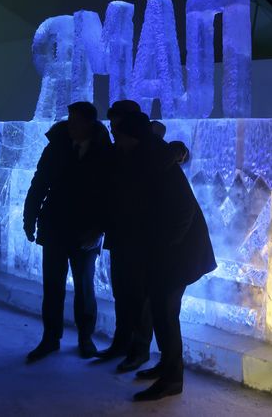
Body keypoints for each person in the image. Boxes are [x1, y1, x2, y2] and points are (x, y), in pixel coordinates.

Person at [132, 118, 216, 402]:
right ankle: (167, 367)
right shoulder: (156, 159)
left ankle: (172, 378)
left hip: (177, 255)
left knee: (166, 314)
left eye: (116, 132)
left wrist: (166, 245)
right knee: (162, 312)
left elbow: (183, 211)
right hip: (172, 253)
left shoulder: (156, 163)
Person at [23, 101, 111, 362]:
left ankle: (85, 338)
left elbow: (110, 196)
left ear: (89, 123)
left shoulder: (104, 152)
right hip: (55, 227)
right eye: (70, 121)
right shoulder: (57, 147)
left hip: (85, 231)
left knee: (85, 287)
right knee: (53, 286)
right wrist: (30, 219)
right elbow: (39, 183)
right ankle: (51, 338)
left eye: (76, 121)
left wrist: (98, 229)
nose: (70, 125)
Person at [95, 100, 155, 372]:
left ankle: (139, 350)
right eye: (112, 124)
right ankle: (122, 344)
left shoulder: (147, 150)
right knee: (122, 293)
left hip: (141, 239)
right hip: (120, 235)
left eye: (117, 124)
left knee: (140, 297)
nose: (113, 129)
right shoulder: (116, 150)